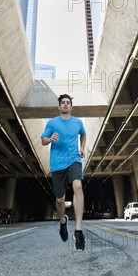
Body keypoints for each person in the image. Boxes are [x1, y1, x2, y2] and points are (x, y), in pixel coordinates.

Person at [41, 94, 86, 251]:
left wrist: (82, 148)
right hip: (57, 164)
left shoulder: (77, 122)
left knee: (78, 186)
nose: (66, 105)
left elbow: (83, 134)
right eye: (63, 103)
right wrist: (50, 138)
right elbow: (43, 140)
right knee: (60, 200)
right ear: (59, 107)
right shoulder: (53, 123)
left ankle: (79, 231)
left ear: (71, 107)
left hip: (74, 160)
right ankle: (63, 222)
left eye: (68, 103)